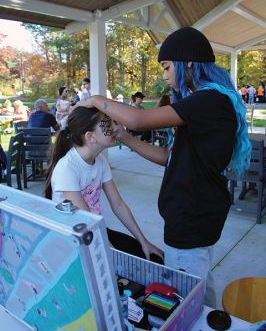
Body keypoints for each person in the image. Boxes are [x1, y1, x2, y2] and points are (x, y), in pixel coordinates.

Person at [78, 27, 251, 307]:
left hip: (191, 218)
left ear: (189, 63)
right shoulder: (207, 102)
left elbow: (139, 119)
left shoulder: (209, 100)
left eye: (167, 66)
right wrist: (124, 137)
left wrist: (96, 99)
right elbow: (167, 157)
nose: (164, 74)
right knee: (200, 284)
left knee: (186, 297)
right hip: (196, 215)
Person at [44, 106, 163, 263]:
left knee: (151, 258)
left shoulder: (100, 161)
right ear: (90, 137)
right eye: (107, 125)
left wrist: (143, 241)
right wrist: (109, 250)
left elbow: (118, 205)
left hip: (94, 231)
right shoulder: (68, 167)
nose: (114, 127)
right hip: (72, 239)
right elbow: (86, 218)